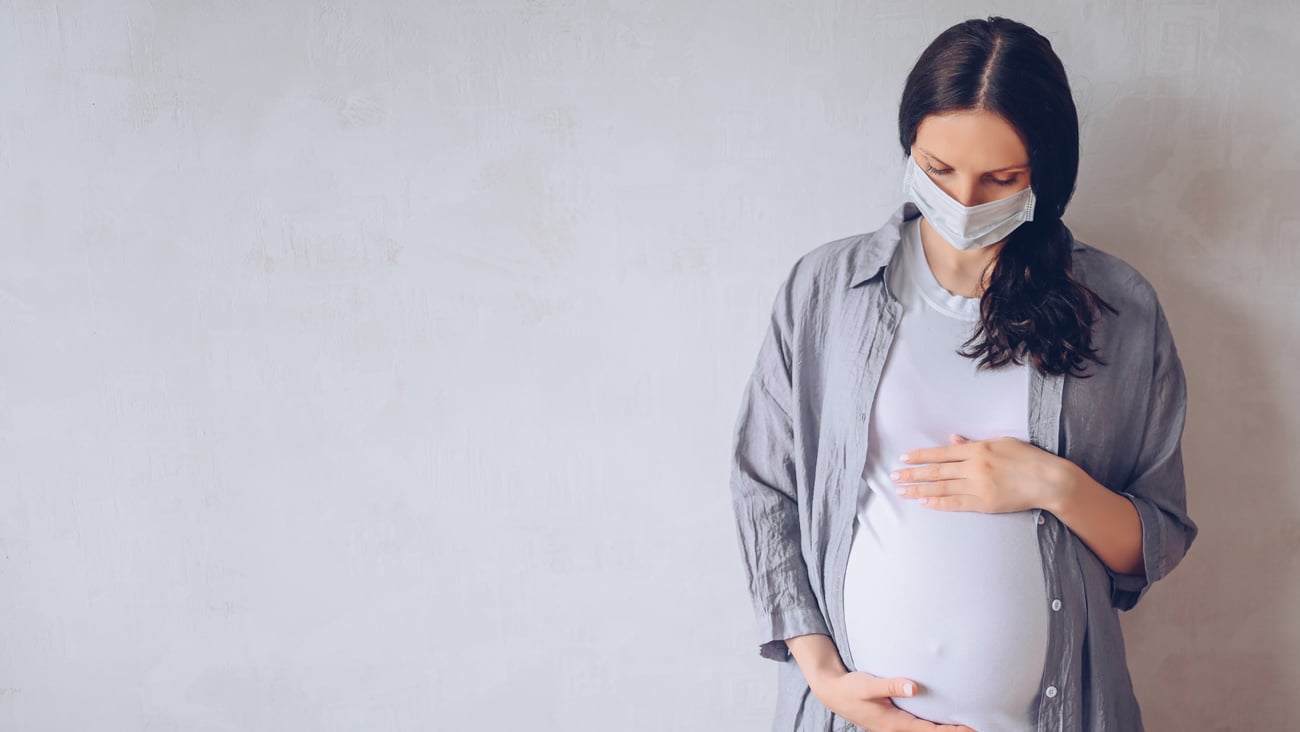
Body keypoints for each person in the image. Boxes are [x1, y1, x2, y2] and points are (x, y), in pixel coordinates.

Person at [728, 16, 1198, 732]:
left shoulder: (1119, 308)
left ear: (1046, 172)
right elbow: (765, 491)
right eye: (939, 169)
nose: (963, 202)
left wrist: (1052, 484)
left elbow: (1156, 536)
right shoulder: (823, 290)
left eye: (1001, 178)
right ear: (909, 146)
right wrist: (825, 678)